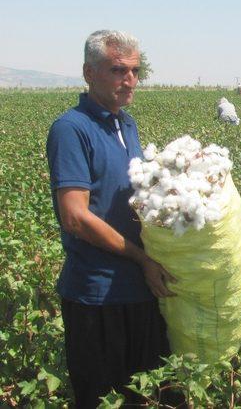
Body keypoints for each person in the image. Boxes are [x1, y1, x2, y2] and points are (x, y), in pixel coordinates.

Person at [46, 30, 176, 408]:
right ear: (89, 73)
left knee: (146, 396)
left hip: (139, 292)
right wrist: (141, 257)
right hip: (97, 296)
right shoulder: (72, 129)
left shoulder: (127, 124)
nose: (130, 79)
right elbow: (75, 217)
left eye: (135, 71)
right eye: (118, 70)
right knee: (103, 399)